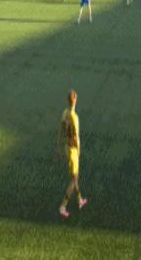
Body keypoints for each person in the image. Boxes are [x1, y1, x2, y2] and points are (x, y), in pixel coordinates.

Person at [57, 90, 88, 219]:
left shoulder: (65, 113)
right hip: (73, 150)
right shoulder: (74, 117)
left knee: (75, 176)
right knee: (74, 179)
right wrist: (79, 149)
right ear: (75, 100)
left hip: (66, 148)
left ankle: (80, 199)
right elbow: (75, 136)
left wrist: (59, 147)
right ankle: (63, 206)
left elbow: (61, 131)